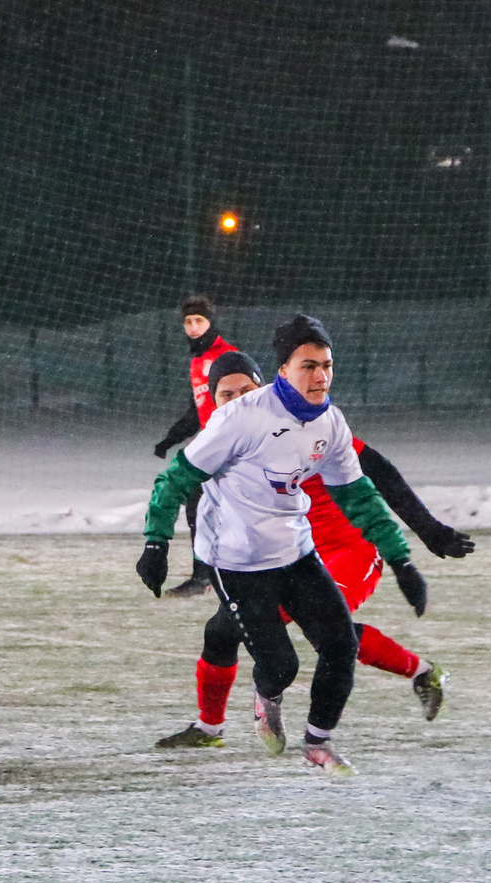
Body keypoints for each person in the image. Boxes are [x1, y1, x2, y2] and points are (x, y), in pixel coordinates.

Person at [136, 316, 427, 775]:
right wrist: (156, 543)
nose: (320, 375)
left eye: (327, 365)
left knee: (337, 644)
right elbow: (174, 479)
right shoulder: (238, 421)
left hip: (299, 551)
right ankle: (259, 702)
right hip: (240, 562)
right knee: (279, 664)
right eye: (308, 365)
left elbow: (362, 493)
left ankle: (318, 743)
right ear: (283, 369)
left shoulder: (329, 422)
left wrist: (402, 558)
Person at [152, 295, 239, 598]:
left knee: (238, 508)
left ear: (211, 323)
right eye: (188, 322)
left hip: (231, 446)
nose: (193, 327)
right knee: (199, 505)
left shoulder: (227, 357)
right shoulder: (197, 360)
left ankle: (213, 575)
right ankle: (204, 576)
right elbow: (197, 410)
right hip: (210, 445)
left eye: (199, 321)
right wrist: (171, 438)